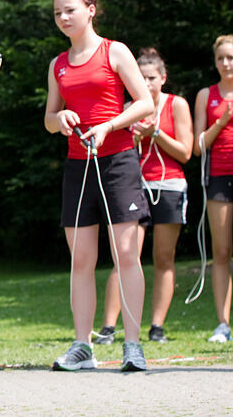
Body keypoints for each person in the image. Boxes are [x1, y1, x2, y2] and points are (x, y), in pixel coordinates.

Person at [43, 0, 154, 372]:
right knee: (82, 260)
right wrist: (62, 119)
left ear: (91, 9)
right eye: (58, 12)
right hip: (78, 166)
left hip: (119, 161)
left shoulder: (115, 51)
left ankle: (133, 345)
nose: (63, 18)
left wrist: (109, 125)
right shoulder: (57, 64)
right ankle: (82, 346)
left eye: (70, 10)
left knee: (126, 254)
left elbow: (145, 102)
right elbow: (49, 119)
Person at [94, 49, 192, 346]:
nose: (147, 83)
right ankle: (109, 327)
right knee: (125, 255)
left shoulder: (177, 105)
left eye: (152, 78)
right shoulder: (128, 108)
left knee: (164, 258)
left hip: (169, 185)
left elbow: (186, 153)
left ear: (162, 79)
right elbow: (115, 150)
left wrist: (156, 133)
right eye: (142, 78)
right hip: (134, 185)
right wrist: (135, 135)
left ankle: (157, 326)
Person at [193, 34, 233, 344]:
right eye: (221, 58)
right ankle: (222, 323)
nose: (226, 64)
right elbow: (198, 145)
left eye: (231, 58)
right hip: (217, 178)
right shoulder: (207, 95)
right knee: (221, 252)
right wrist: (222, 121)